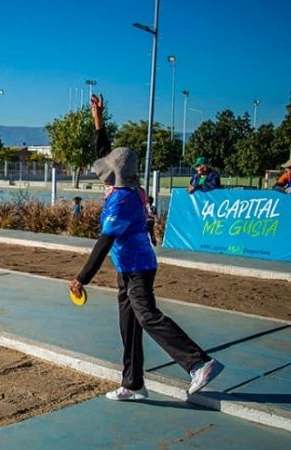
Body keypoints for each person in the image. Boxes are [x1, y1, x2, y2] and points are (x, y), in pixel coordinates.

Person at [70, 94, 224, 401]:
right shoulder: (128, 187)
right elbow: (104, 152)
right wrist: (98, 118)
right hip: (127, 268)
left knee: (147, 316)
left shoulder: (123, 200)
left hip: (138, 268)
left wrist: (81, 278)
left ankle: (199, 362)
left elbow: (104, 242)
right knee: (128, 325)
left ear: (113, 176)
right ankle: (133, 383)